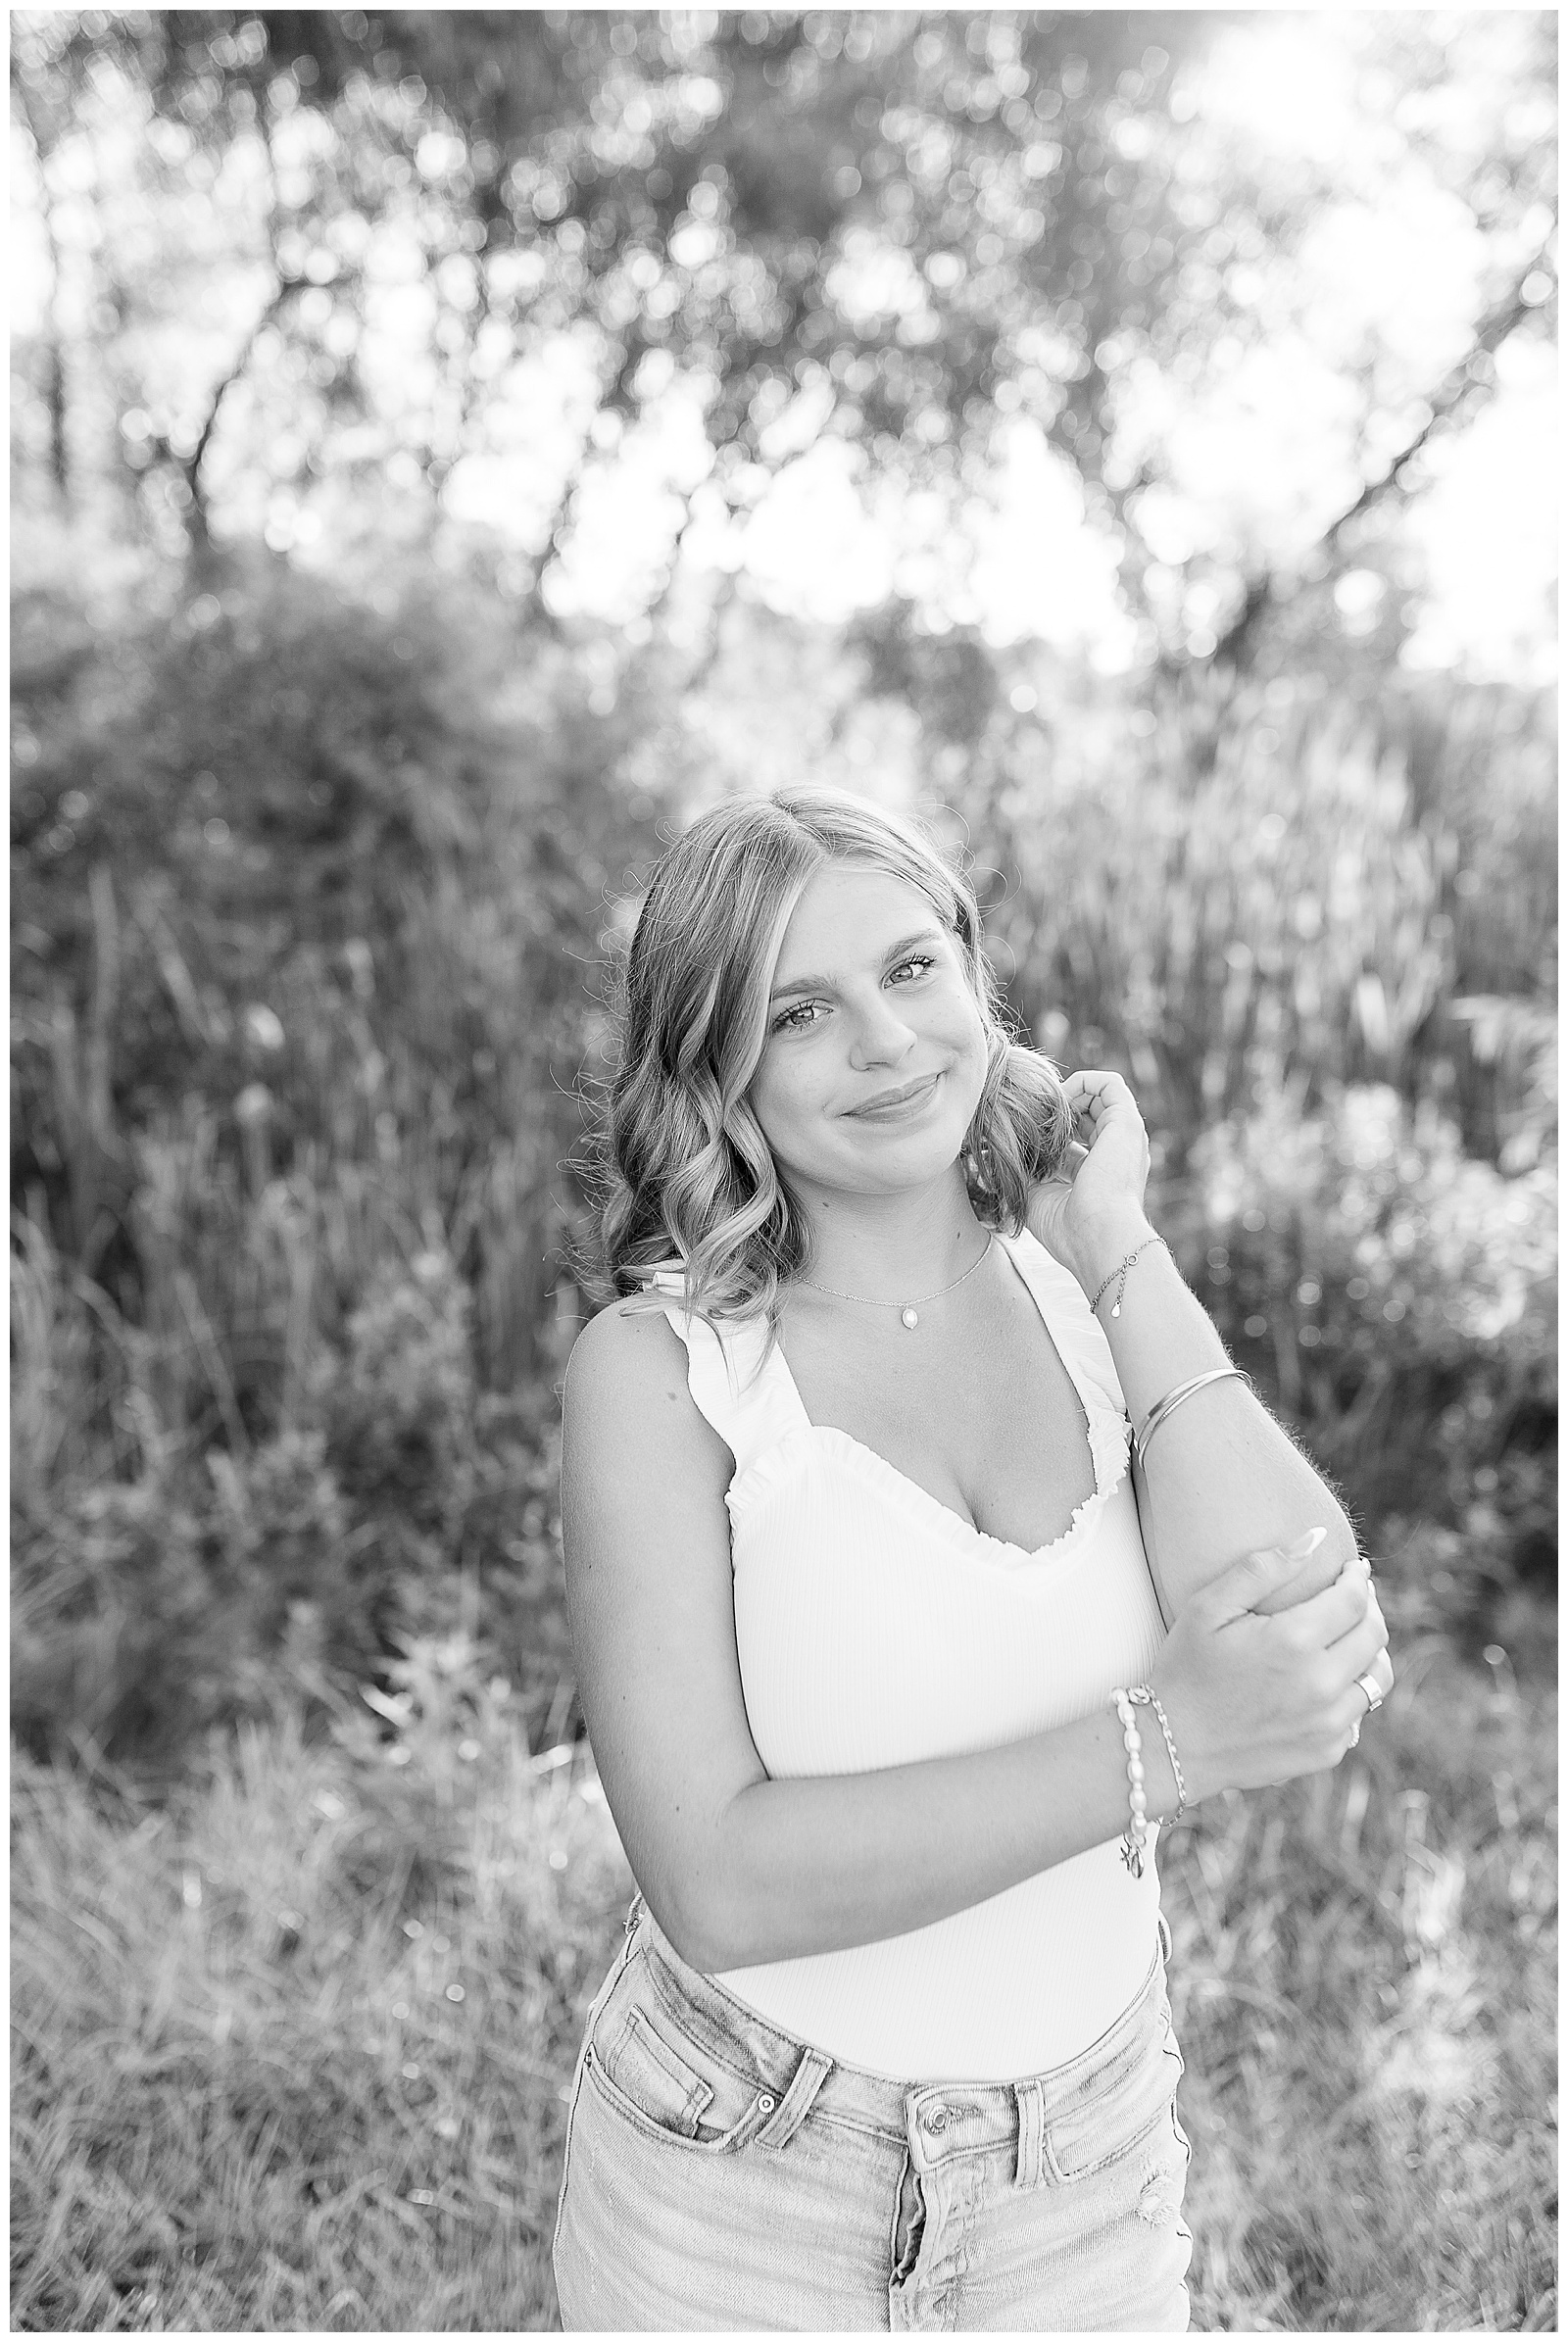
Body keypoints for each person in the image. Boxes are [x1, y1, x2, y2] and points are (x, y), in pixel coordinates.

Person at [552, 783, 1393, 2332]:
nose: (886, 1040)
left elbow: (1308, 1622)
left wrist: (1113, 1235)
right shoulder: (664, 1373)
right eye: (799, 1011)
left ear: (979, 987)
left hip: (1086, 2161)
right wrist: (1171, 1740)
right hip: (750, 2173)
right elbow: (718, 1876)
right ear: (718, 1072)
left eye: (914, 968)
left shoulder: (1084, 1292)